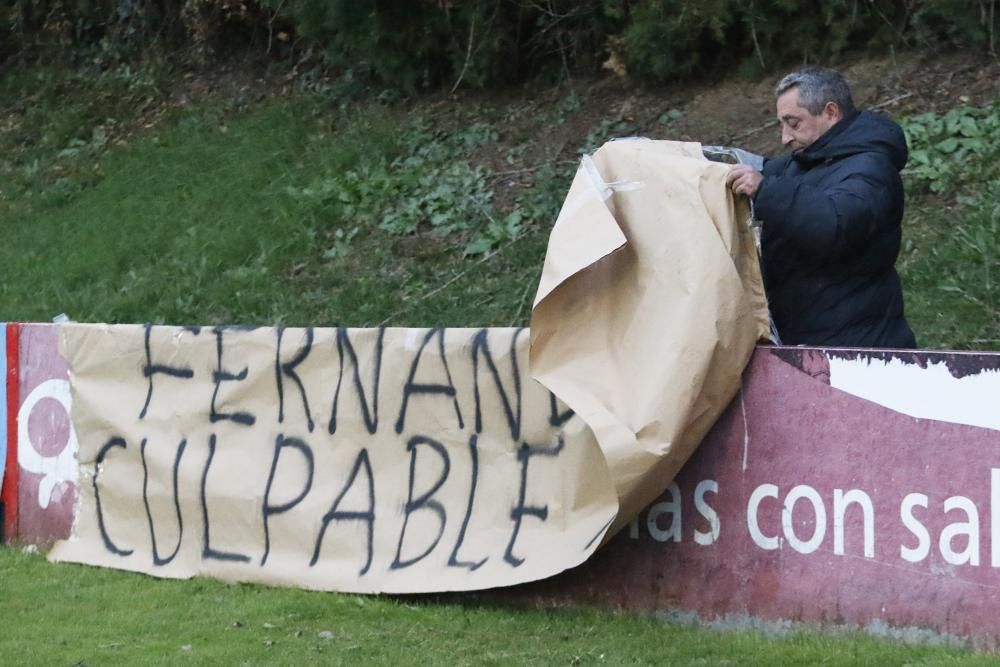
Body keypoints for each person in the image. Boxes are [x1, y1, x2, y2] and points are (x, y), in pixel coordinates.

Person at [726, 67, 917, 349]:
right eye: (782, 125)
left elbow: (835, 223)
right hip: (812, 343)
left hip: (859, 353)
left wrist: (765, 190)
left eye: (794, 123)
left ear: (830, 112)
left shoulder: (872, 168)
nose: (785, 138)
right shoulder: (807, 160)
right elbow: (749, 165)